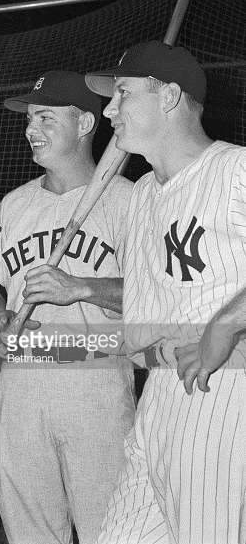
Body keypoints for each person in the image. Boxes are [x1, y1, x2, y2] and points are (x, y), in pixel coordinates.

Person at [85, 40, 246, 543]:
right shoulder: (141, 197)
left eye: (123, 94)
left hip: (220, 385)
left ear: (170, 97)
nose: (110, 110)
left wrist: (227, 322)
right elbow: (141, 313)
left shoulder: (235, 169)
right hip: (157, 394)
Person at [0, 70, 136, 544]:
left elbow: (156, 298)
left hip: (95, 375)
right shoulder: (13, 204)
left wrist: (82, 288)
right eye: (29, 119)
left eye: (45, 118)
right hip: (22, 379)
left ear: (86, 122)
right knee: (28, 531)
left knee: (108, 530)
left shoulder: (132, 201)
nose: (31, 129)